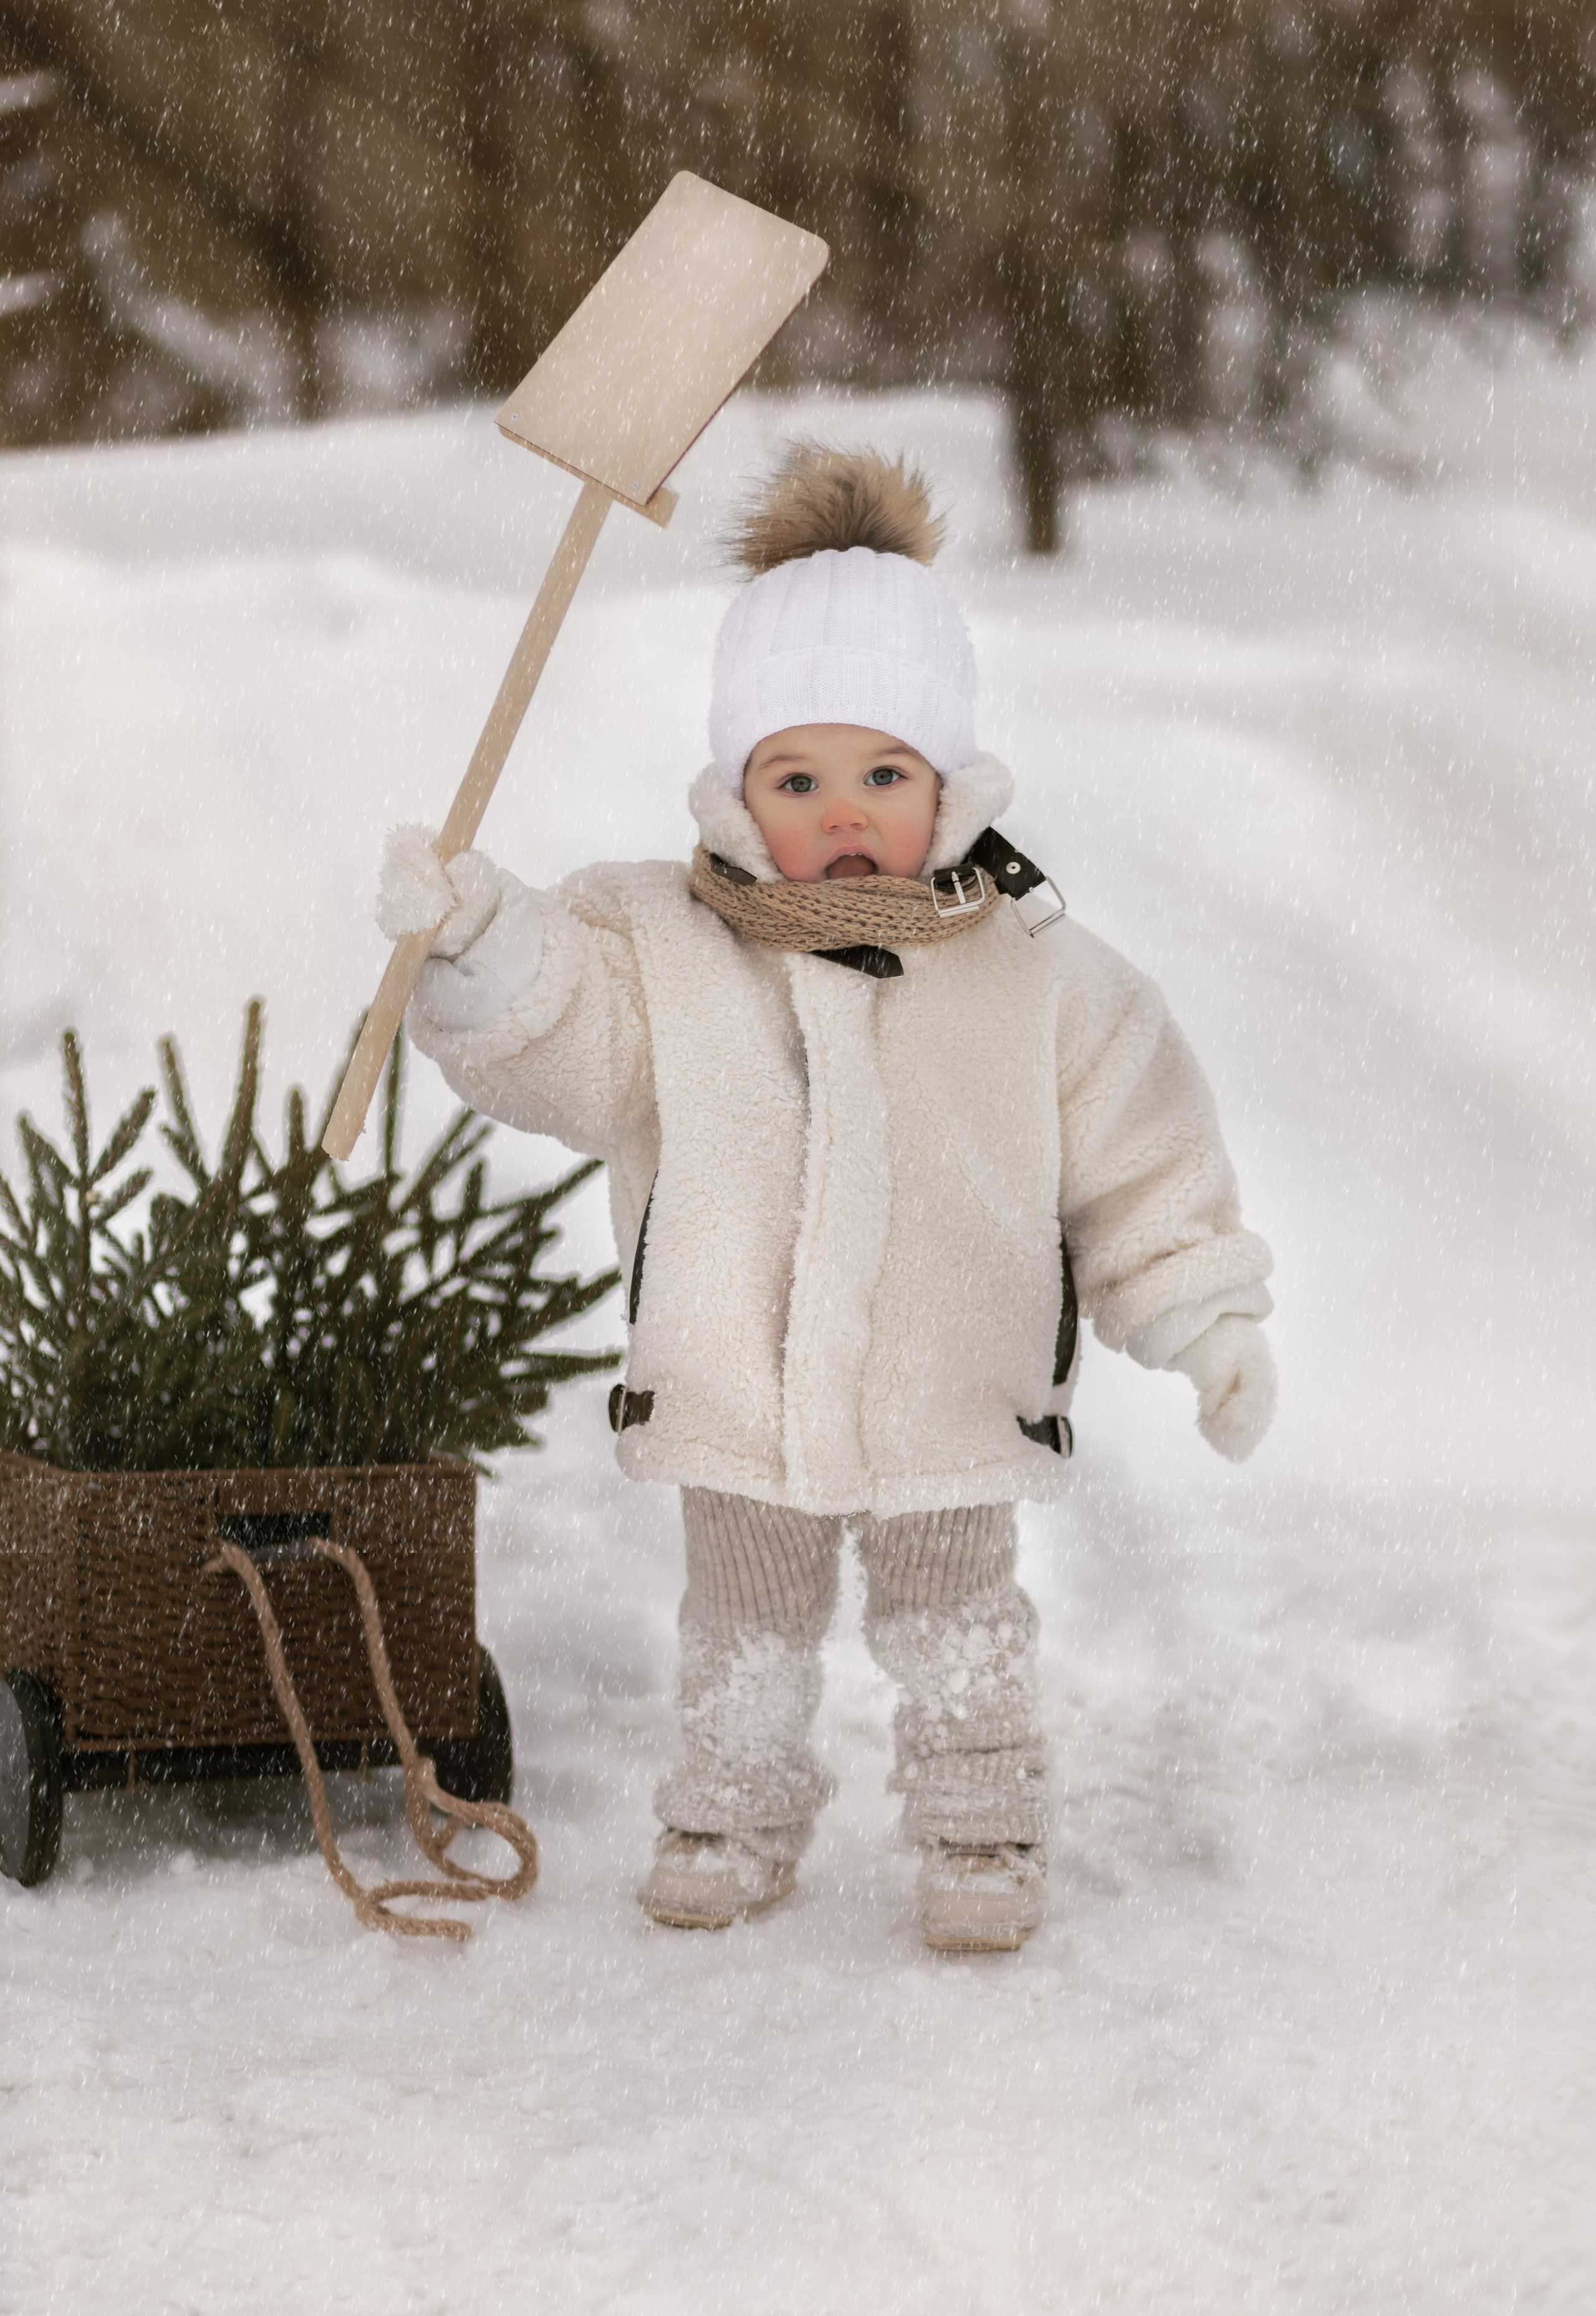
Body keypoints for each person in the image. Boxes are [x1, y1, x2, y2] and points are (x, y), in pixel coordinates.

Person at [376, 443, 1274, 1952]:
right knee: (741, 1624)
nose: (842, 811)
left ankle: (980, 1826)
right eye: (796, 779)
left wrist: (1200, 1315)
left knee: (957, 1618)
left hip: (947, 1386)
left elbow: (1140, 1149)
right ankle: (731, 1810)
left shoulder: (1037, 970)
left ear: (944, 783)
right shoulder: (661, 941)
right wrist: (477, 944)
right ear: (739, 792)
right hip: (736, 1380)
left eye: (882, 775)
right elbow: (567, 1039)